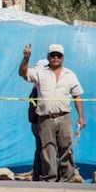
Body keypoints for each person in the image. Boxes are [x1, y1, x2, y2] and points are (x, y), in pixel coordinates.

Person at [19, 43, 86, 182]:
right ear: (48, 57)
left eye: (58, 55)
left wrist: (81, 116)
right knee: (47, 151)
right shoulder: (40, 72)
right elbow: (23, 74)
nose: (55, 58)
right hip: (45, 118)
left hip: (64, 117)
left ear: (63, 58)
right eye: (53, 55)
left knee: (66, 148)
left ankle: (67, 179)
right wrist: (26, 58)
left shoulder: (70, 75)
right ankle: (49, 180)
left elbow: (77, 95)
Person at [28, 59, 48, 182]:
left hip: (37, 122)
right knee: (43, 149)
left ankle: (39, 174)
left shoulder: (38, 88)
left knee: (42, 149)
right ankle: (40, 175)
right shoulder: (38, 89)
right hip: (39, 123)